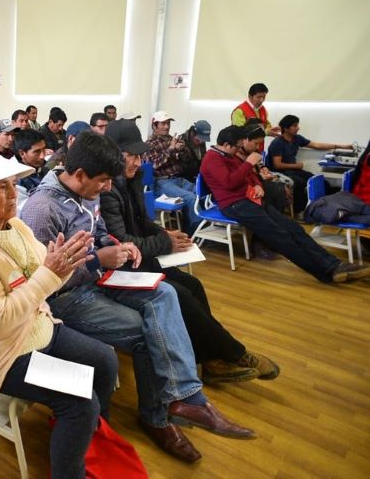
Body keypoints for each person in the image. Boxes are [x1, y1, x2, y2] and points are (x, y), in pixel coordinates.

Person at [21, 131, 255, 462]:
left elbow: (99, 232)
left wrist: (116, 246)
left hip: (99, 278)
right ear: (80, 174)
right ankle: (158, 418)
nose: (107, 188)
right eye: (103, 181)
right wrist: (97, 261)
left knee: (167, 293)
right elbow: (43, 283)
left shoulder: (87, 191)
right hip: (65, 298)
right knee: (149, 332)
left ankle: (187, 398)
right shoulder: (41, 209)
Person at [0, 147, 119, 478]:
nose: (14, 194)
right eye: (2, 187)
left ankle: (91, 439)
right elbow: (0, 319)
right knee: (81, 403)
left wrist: (66, 263)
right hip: (4, 353)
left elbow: (46, 278)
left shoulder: (15, 226)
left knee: (105, 360)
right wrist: (50, 273)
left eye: (13, 184)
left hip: (37, 326)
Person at [101, 124, 280, 383]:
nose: (139, 163)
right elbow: (123, 242)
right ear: (113, 155)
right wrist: (166, 243)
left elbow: (142, 222)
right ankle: (235, 353)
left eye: (140, 156)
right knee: (180, 294)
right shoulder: (106, 189)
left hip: (140, 260)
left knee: (193, 285)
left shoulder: (131, 179)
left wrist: (165, 234)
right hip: (122, 267)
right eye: (132, 156)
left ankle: (210, 360)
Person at [200, 126, 370, 284]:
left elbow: (250, 176)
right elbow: (229, 183)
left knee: (294, 229)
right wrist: (248, 163)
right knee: (281, 237)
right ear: (226, 145)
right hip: (235, 205)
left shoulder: (228, 155)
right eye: (237, 146)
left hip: (250, 200)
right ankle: (326, 272)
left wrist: (257, 184)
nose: (239, 149)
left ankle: (334, 264)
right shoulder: (212, 159)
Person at [268, 114, 353, 214]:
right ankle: (299, 211)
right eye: (295, 126)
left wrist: (341, 146)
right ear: (286, 128)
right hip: (281, 172)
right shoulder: (277, 143)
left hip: (294, 170)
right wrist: (296, 166)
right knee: (299, 183)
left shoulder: (297, 138)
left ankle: (325, 206)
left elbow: (316, 145)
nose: (298, 128)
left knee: (319, 180)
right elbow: (277, 165)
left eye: (297, 125)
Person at [141, 111, 201, 235]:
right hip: (161, 182)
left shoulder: (171, 139)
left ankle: (192, 229)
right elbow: (153, 166)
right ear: (154, 125)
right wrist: (170, 150)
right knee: (190, 198)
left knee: (200, 193)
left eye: (168, 123)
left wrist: (182, 149)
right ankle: (194, 234)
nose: (167, 126)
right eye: (163, 124)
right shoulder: (149, 144)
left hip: (177, 178)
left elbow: (186, 160)